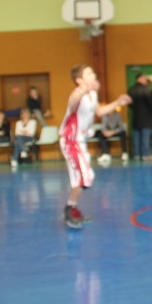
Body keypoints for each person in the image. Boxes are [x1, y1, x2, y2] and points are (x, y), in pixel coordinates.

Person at [59, 65, 131, 229]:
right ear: (79, 80)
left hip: (80, 141)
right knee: (85, 177)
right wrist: (85, 89)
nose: (93, 74)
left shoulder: (92, 94)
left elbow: (99, 111)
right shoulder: (77, 93)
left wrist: (117, 102)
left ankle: (72, 207)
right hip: (70, 141)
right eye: (89, 73)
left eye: (92, 72)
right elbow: (72, 102)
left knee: (84, 177)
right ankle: (69, 209)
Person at [128, 73, 152, 160]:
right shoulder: (146, 89)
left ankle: (137, 154)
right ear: (140, 78)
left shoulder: (131, 90)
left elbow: (129, 104)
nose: (145, 80)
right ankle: (145, 154)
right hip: (146, 117)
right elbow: (151, 103)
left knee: (136, 136)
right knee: (145, 136)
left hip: (136, 116)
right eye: (144, 78)